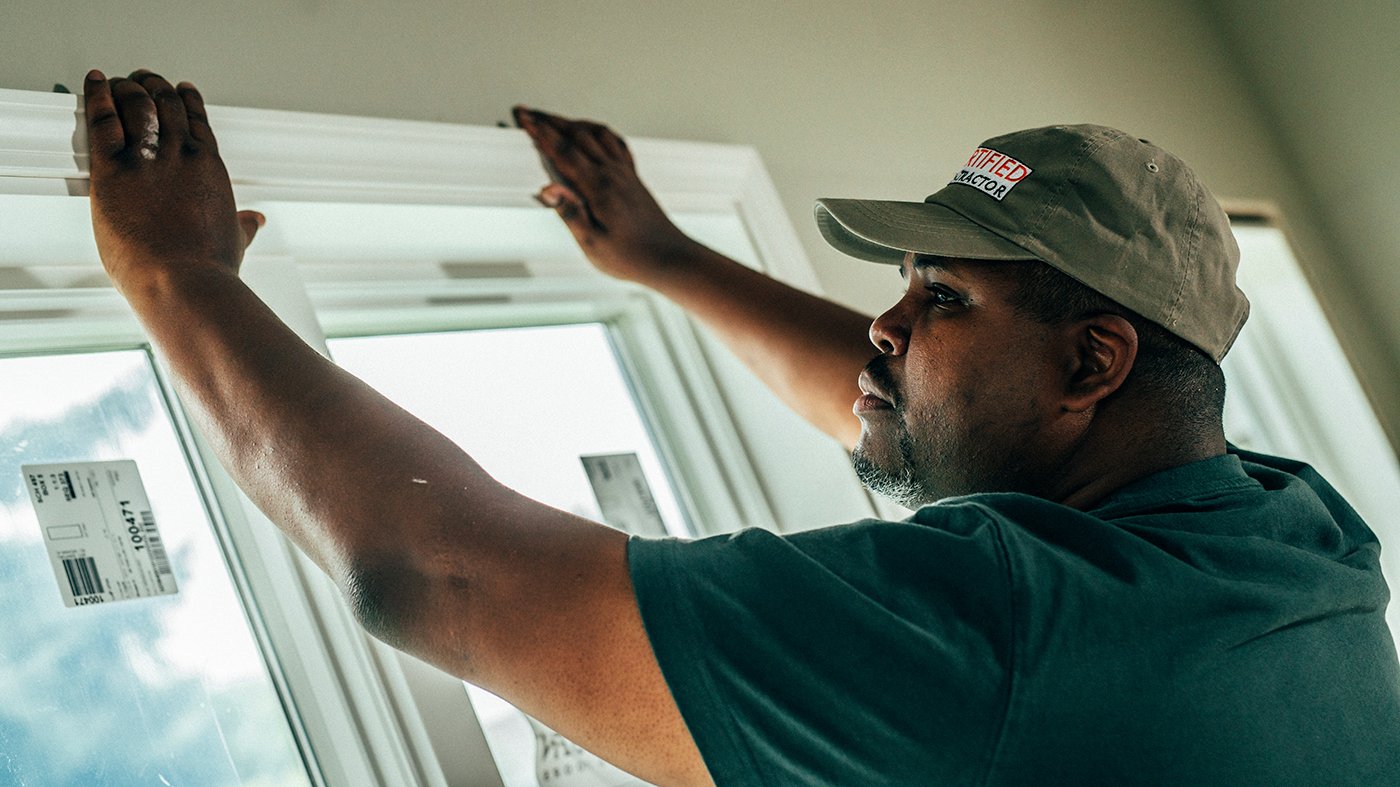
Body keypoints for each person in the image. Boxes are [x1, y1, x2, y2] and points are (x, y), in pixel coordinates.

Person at [82, 69, 1398, 786]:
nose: (883, 326)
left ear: (1094, 362)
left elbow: (441, 572)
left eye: (940, 297)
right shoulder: (1282, 526)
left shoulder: (1000, 632)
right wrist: (667, 259)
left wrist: (176, 279)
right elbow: (923, 413)